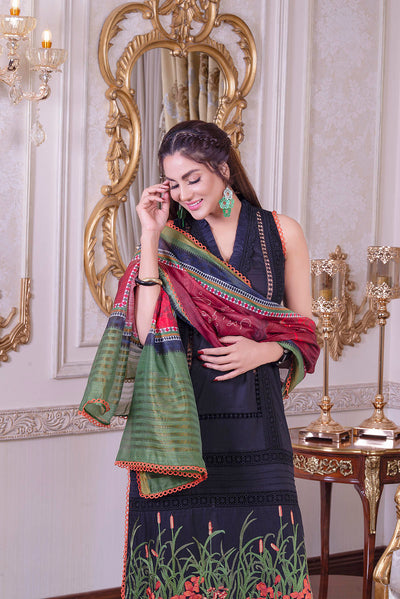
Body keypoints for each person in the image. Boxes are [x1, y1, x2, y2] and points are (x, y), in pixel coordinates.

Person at [79, 120, 320, 599]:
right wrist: (150, 235)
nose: (185, 193)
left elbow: (306, 330)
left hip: (258, 419)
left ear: (222, 169)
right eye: (173, 183)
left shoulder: (280, 232)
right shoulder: (170, 238)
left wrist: (263, 351)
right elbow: (145, 332)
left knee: (263, 555)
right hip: (182, 421)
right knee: (180, 551)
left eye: (194, 178)